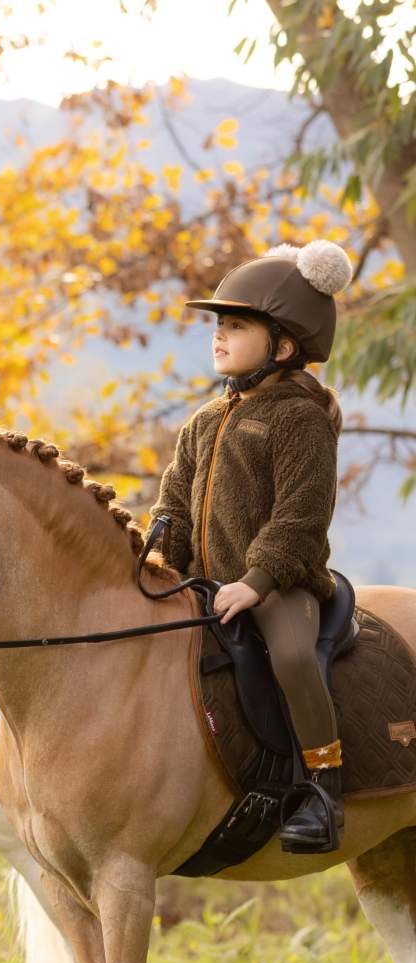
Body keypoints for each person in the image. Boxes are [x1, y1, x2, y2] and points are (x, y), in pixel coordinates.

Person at [150, 240, 353, 852]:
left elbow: (300, 516)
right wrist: (158, 551)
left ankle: (322, 786)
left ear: (283, 345)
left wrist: (256, 581)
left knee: (291, 655)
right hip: (202, 581)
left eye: (236, 326)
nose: (218, 336)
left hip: (279, 585)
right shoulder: (206, 420)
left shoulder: (300, 418)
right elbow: (174, 501)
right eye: (218, 325)